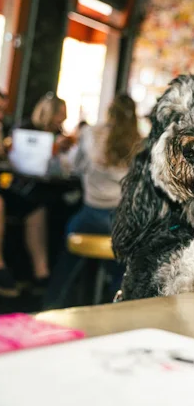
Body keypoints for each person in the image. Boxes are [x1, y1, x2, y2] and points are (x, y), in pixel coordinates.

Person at [45, 94, 141, 306]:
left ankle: (49, 308)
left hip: (89, 215)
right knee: (123, 270)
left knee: (64, 266)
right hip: (119, 220)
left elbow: (76, 168)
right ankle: (119, 308)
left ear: (109, 112)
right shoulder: (140, 142)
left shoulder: (90, 134)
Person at [0, 92, 69, 296]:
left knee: (36, 206)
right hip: (14, 186)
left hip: (23, 188)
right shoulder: (23, 129)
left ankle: (40, 272)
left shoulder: (13, 129)